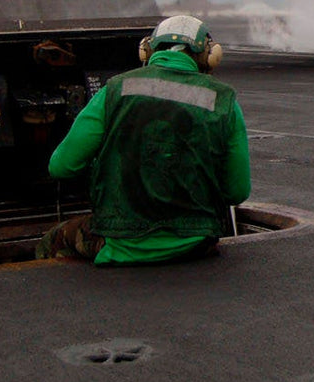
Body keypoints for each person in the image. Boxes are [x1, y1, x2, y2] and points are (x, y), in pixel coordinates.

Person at [36, 15, 251, 265]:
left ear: (147, 50)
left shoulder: (114, 91)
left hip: (121, 242)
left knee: (51, 242)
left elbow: (61, 167)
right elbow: (237, 192)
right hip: (195, 243)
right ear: (209, 56)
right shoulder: (224, 101)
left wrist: (101, 168)